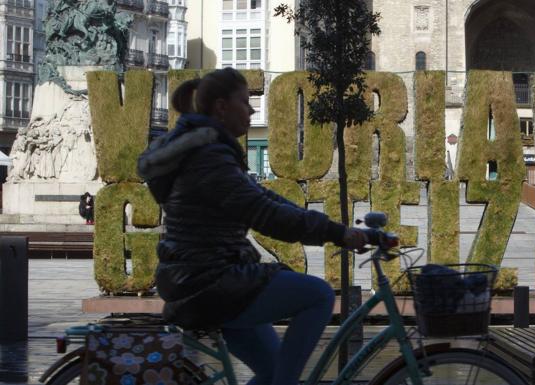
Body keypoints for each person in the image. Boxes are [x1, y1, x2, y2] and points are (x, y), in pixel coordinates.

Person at [137, 68, 368, 385]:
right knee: (318, 295)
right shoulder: (209, 158)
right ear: (221, 107)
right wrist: (338, 234)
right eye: (245, 102)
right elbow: (265, 214)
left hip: (203, 279)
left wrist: (333, 228)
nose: (251, 110)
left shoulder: (208, 151)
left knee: (273, 371)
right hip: (208, 283)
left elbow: (263, 197)